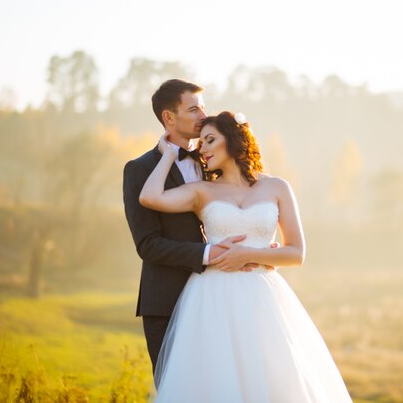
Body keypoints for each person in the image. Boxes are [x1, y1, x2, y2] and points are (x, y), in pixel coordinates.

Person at [139, 111, 353, 402]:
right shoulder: (202, 191)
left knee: (271, 379)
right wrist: (166, 154)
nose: (203, 148)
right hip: (211, 297)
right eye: (201, 143)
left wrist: (250, 254)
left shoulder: (277, 187)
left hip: (262, 297)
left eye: (211, 139)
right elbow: (149, 197)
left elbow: (296, 252)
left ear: (234, 139)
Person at [122, 79, 259, 377]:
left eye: (203, 108)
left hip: (221, 295)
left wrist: (257, 247)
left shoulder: (214, 159)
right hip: (167, 301)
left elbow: (237, 207)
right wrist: (208, 253)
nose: (202, 116)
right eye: (194, 109)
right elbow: (147, 244)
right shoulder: (139, 170)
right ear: (169, 118)